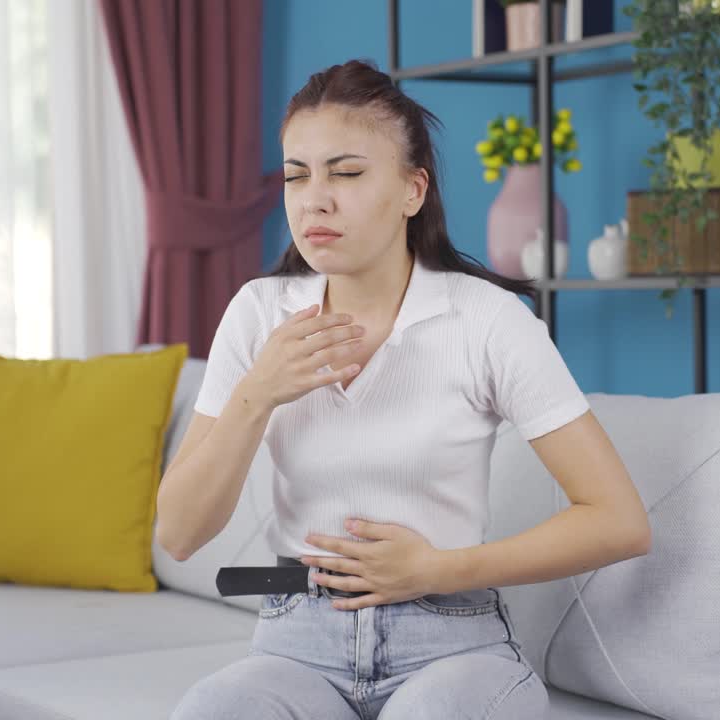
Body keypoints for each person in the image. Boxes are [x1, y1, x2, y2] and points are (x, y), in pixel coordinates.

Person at [161, 58, 650, 720]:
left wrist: (436, 570)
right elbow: (182, 534)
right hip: (296, 644)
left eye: (348, 172)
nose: (315, 200)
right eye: (296, 175)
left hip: (453, 649)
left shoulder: (484, 319)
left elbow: (619, 519)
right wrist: (256, 396)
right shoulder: (259, 312)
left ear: (412, 190)